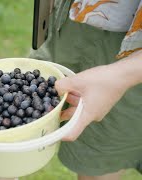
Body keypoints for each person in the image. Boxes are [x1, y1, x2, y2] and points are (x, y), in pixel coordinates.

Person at [30, 0, 142, 179]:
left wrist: (122, 75)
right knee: (26, 120)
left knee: (99, 154)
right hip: (71, 14)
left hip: (131, 45)